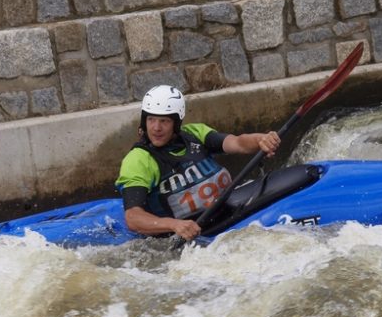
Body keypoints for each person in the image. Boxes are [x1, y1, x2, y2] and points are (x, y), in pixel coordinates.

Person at [116, 85, 281, 241]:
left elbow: (237, 143)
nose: (156, 128)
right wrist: (175, 225)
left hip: (225, 214)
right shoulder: (138, 160)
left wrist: (260, 140)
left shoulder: (195, 134)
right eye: (151, 120)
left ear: (176, 123)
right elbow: (133, 217)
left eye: (164, 121)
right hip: (185, 235)